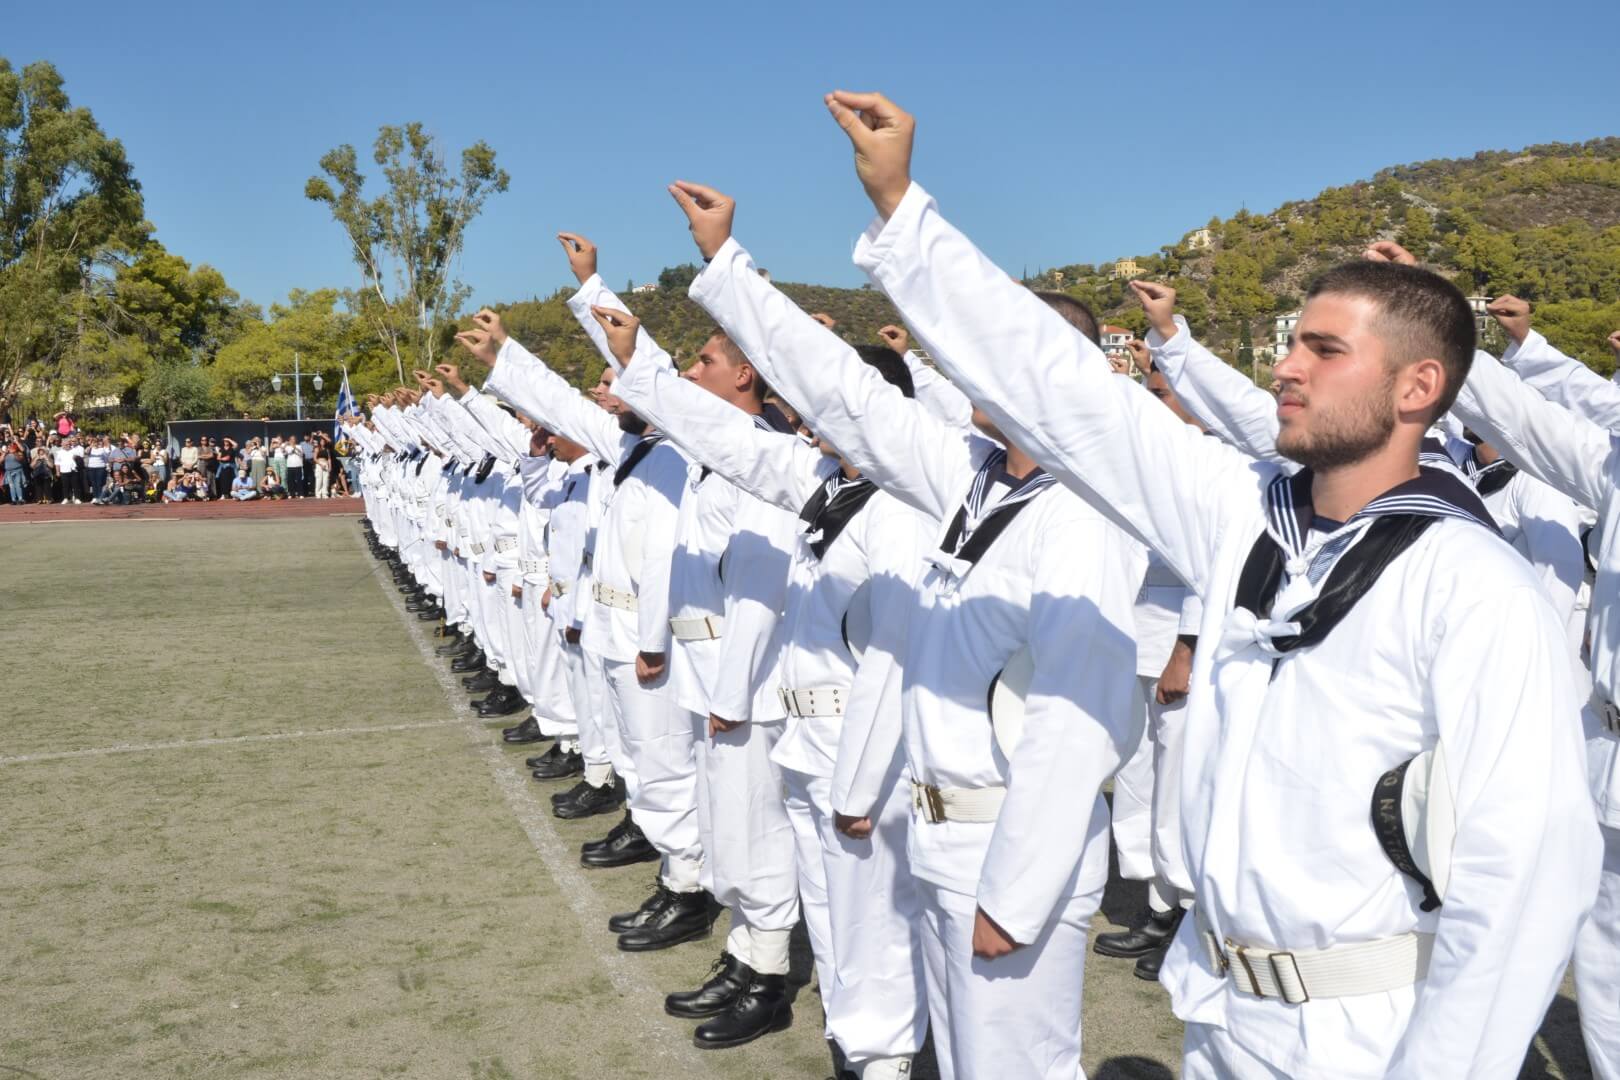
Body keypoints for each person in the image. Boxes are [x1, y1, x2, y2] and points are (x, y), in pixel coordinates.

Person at [819, 88, 1598, 1077]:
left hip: (1370, 1035)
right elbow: (1076, 403)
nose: (1284, 370)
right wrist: (905, 215)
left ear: (1417, 389)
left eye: (1324, 350)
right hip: (1223, 1016)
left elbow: (1526, 879)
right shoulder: (1243, 513)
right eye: (1289, 345)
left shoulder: (1477, 585)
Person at [3, 437, 25, 504]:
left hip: (17, 471)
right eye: (9, 446)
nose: (10, 447)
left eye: (11, 446)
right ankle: (13, 500)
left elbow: (20, 459)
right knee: (11, 486)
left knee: (18, 485)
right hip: (8, 472)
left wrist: (14, 453)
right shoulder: (6, 454)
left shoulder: (18, 452)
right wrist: (5, 453)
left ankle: (20, 499)